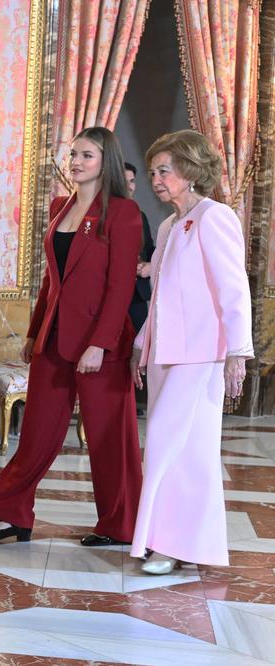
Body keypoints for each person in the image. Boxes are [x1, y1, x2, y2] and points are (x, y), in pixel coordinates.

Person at [0, 127, 143, 547]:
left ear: (106, 160)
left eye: (87, 155)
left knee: (109, 439)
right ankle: (13, 513)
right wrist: (34, 332)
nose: (77, 162)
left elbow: (120, 286)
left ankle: (119, 525)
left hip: (101, 346)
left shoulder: (123, 213)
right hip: (54, 339)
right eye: (73, 155)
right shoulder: (58, 208)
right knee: (37, 432)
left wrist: (100, 343)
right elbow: (53, 281)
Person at [130, 129, 253, 575]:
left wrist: (238, 351)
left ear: (190, 170)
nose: (157, 179)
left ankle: (166, 543)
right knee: (185, 451)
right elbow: (160, 294)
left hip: (201, 356)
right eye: (153, 172)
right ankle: (182, 543)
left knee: (166, 443)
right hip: (165, 354)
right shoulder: (167, 225)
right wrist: (141, 346)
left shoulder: (214, 216)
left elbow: (233, 288)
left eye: (165, 170)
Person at [124, 162, 155, 338]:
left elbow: (149, 249)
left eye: (132, 181)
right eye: (123, 181)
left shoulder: (139, 215)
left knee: (138, 348)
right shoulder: (101, 214)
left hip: (137, 294)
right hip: (108, 295)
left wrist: (151, 265)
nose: (129, 186)